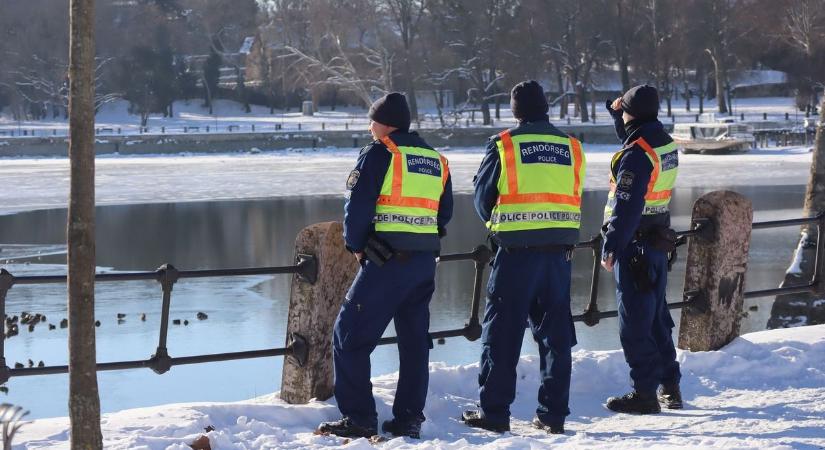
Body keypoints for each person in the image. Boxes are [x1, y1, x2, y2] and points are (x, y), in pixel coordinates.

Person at [316, 92, 453, 439]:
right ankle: (408, 419)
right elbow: (444, 214)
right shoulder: (436, 160)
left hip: (386, 262)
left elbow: (358, 208)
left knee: (348, 336)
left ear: (385, 123)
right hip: (423, 264)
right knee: (414, 342)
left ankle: (359, 418)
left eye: (372, 120)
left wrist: (358, 247)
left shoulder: (381, 153)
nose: (369, 126)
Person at [461, 80, 586, 435]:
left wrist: (501, 223)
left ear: (514, 111)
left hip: (516, 256)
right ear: (546, 107)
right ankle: (553, 414)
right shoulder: (572, 146)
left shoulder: (504, 145)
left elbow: (483, 199)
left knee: (502, 334)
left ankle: (496, 413)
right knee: (556, 338)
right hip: (559, 257)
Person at [601, 85, 683, 414]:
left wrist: (612, 245)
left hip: (633, 247)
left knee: (634, 322)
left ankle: (644, 394)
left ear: (631, 113)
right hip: (656, 243)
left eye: (623, 111)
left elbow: (627, 204)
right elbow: (634, 138)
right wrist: (617, 112)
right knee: (657, 319)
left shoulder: (636, 154)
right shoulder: (662, 143)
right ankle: (670, 386)